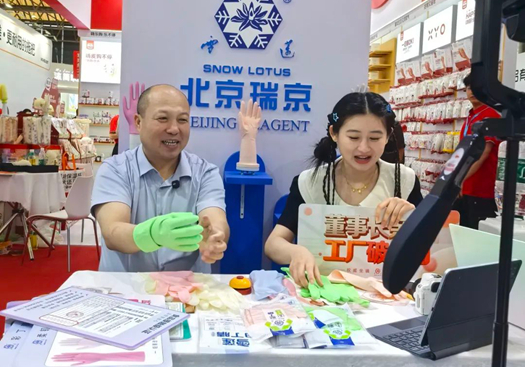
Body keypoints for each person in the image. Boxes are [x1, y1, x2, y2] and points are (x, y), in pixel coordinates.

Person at [265, 92, 422, 286]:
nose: (364, 148)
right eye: (353, 137)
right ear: (334, 133)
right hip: (323, 293)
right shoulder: (310, 183)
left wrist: (413, 218)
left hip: (385, 294)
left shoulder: (405, 181)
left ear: (388, 136)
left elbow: (431, 248)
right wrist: (296, 251)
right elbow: (273, 244)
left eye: (374, 138)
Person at [92, 84, 229, 272]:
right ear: (138, 122)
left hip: (187, 287)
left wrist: (214, 236)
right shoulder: (115, 170)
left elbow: (215, 218)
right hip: (126, 286)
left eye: (182, 120)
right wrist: (151, 234)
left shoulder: (205, 173)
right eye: (163, 118)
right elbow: (112, 232)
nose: (174, 129)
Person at [456, 73, 501, 229]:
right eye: (469, 88)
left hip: (482, 188)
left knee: (477, 232)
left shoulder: (490, 116)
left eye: (477, 88)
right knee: (463, 231)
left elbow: (483, 154)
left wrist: (460, 180)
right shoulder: (470, 117)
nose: (472, 91)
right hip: (466, 187)